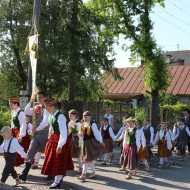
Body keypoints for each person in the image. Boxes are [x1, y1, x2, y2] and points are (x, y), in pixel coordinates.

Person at [41, 98, 74, 189]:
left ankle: (57, 181)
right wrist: (49, 138)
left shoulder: (61, 117)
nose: (46, 109)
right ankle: (58, 179)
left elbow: (63, 132)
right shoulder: (51, 115)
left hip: (59, 140)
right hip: (53, 139)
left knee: (58, 161)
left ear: (52, 106)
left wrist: (60, 145)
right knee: (53, 160)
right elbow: (51, 128)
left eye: (47, 107)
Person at [19, 91, 50, 182]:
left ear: (45, 98)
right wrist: (31, 101)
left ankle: (52, 173)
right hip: (36, 134)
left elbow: (45, 123)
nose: (38, 99)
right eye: (37, 97)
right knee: (30, 151)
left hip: (45, 134)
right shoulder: (37, 107)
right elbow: (26, 110)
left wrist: (36, 129)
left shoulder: (47, 108)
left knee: (48, 153)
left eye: (40, 97)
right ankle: (24, 173)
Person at [78, 111, 105, 181]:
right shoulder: (83, 124)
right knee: (90, 160)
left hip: (90, 143)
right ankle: (93, 173)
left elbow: (97, 133)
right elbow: (81, 134)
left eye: (86, 116)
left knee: (86, 160)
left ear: (90, 117)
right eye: (83, 116)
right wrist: (80, 136)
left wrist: (101, 141)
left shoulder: (93, 124)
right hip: (84, 143)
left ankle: (83, 175)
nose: (84, 118)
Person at [9, 98, 30, 166]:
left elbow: (23, 125)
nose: (10, 106)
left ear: (16, 104)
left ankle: (25, 168)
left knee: (21, 151)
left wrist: (20, 136)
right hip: (14, 132)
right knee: (13, 150)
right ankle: (11, 168)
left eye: (11, 105)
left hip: (20, 133)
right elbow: (12, 124)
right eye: (10, 105)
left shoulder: (21, 113)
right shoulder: (14, 112)